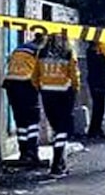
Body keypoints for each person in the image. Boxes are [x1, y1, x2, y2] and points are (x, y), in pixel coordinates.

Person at [33, 33, 81, 177]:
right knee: (62, 129)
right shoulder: (67, 53)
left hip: (47, 93)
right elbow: (74, 74)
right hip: (64, 93)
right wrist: (75, 88)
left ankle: (60, 162)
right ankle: (57, 164)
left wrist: (40, 87)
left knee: (55, 127)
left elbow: (34, 75)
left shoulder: (42, 52)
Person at [2, 33, 44, 167]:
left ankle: (24, 152)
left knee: (20, 120)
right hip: (26, 83)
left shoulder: (19, 48)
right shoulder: (39, 51)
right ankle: (32, 152)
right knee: (32, 119)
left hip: (11, 84)